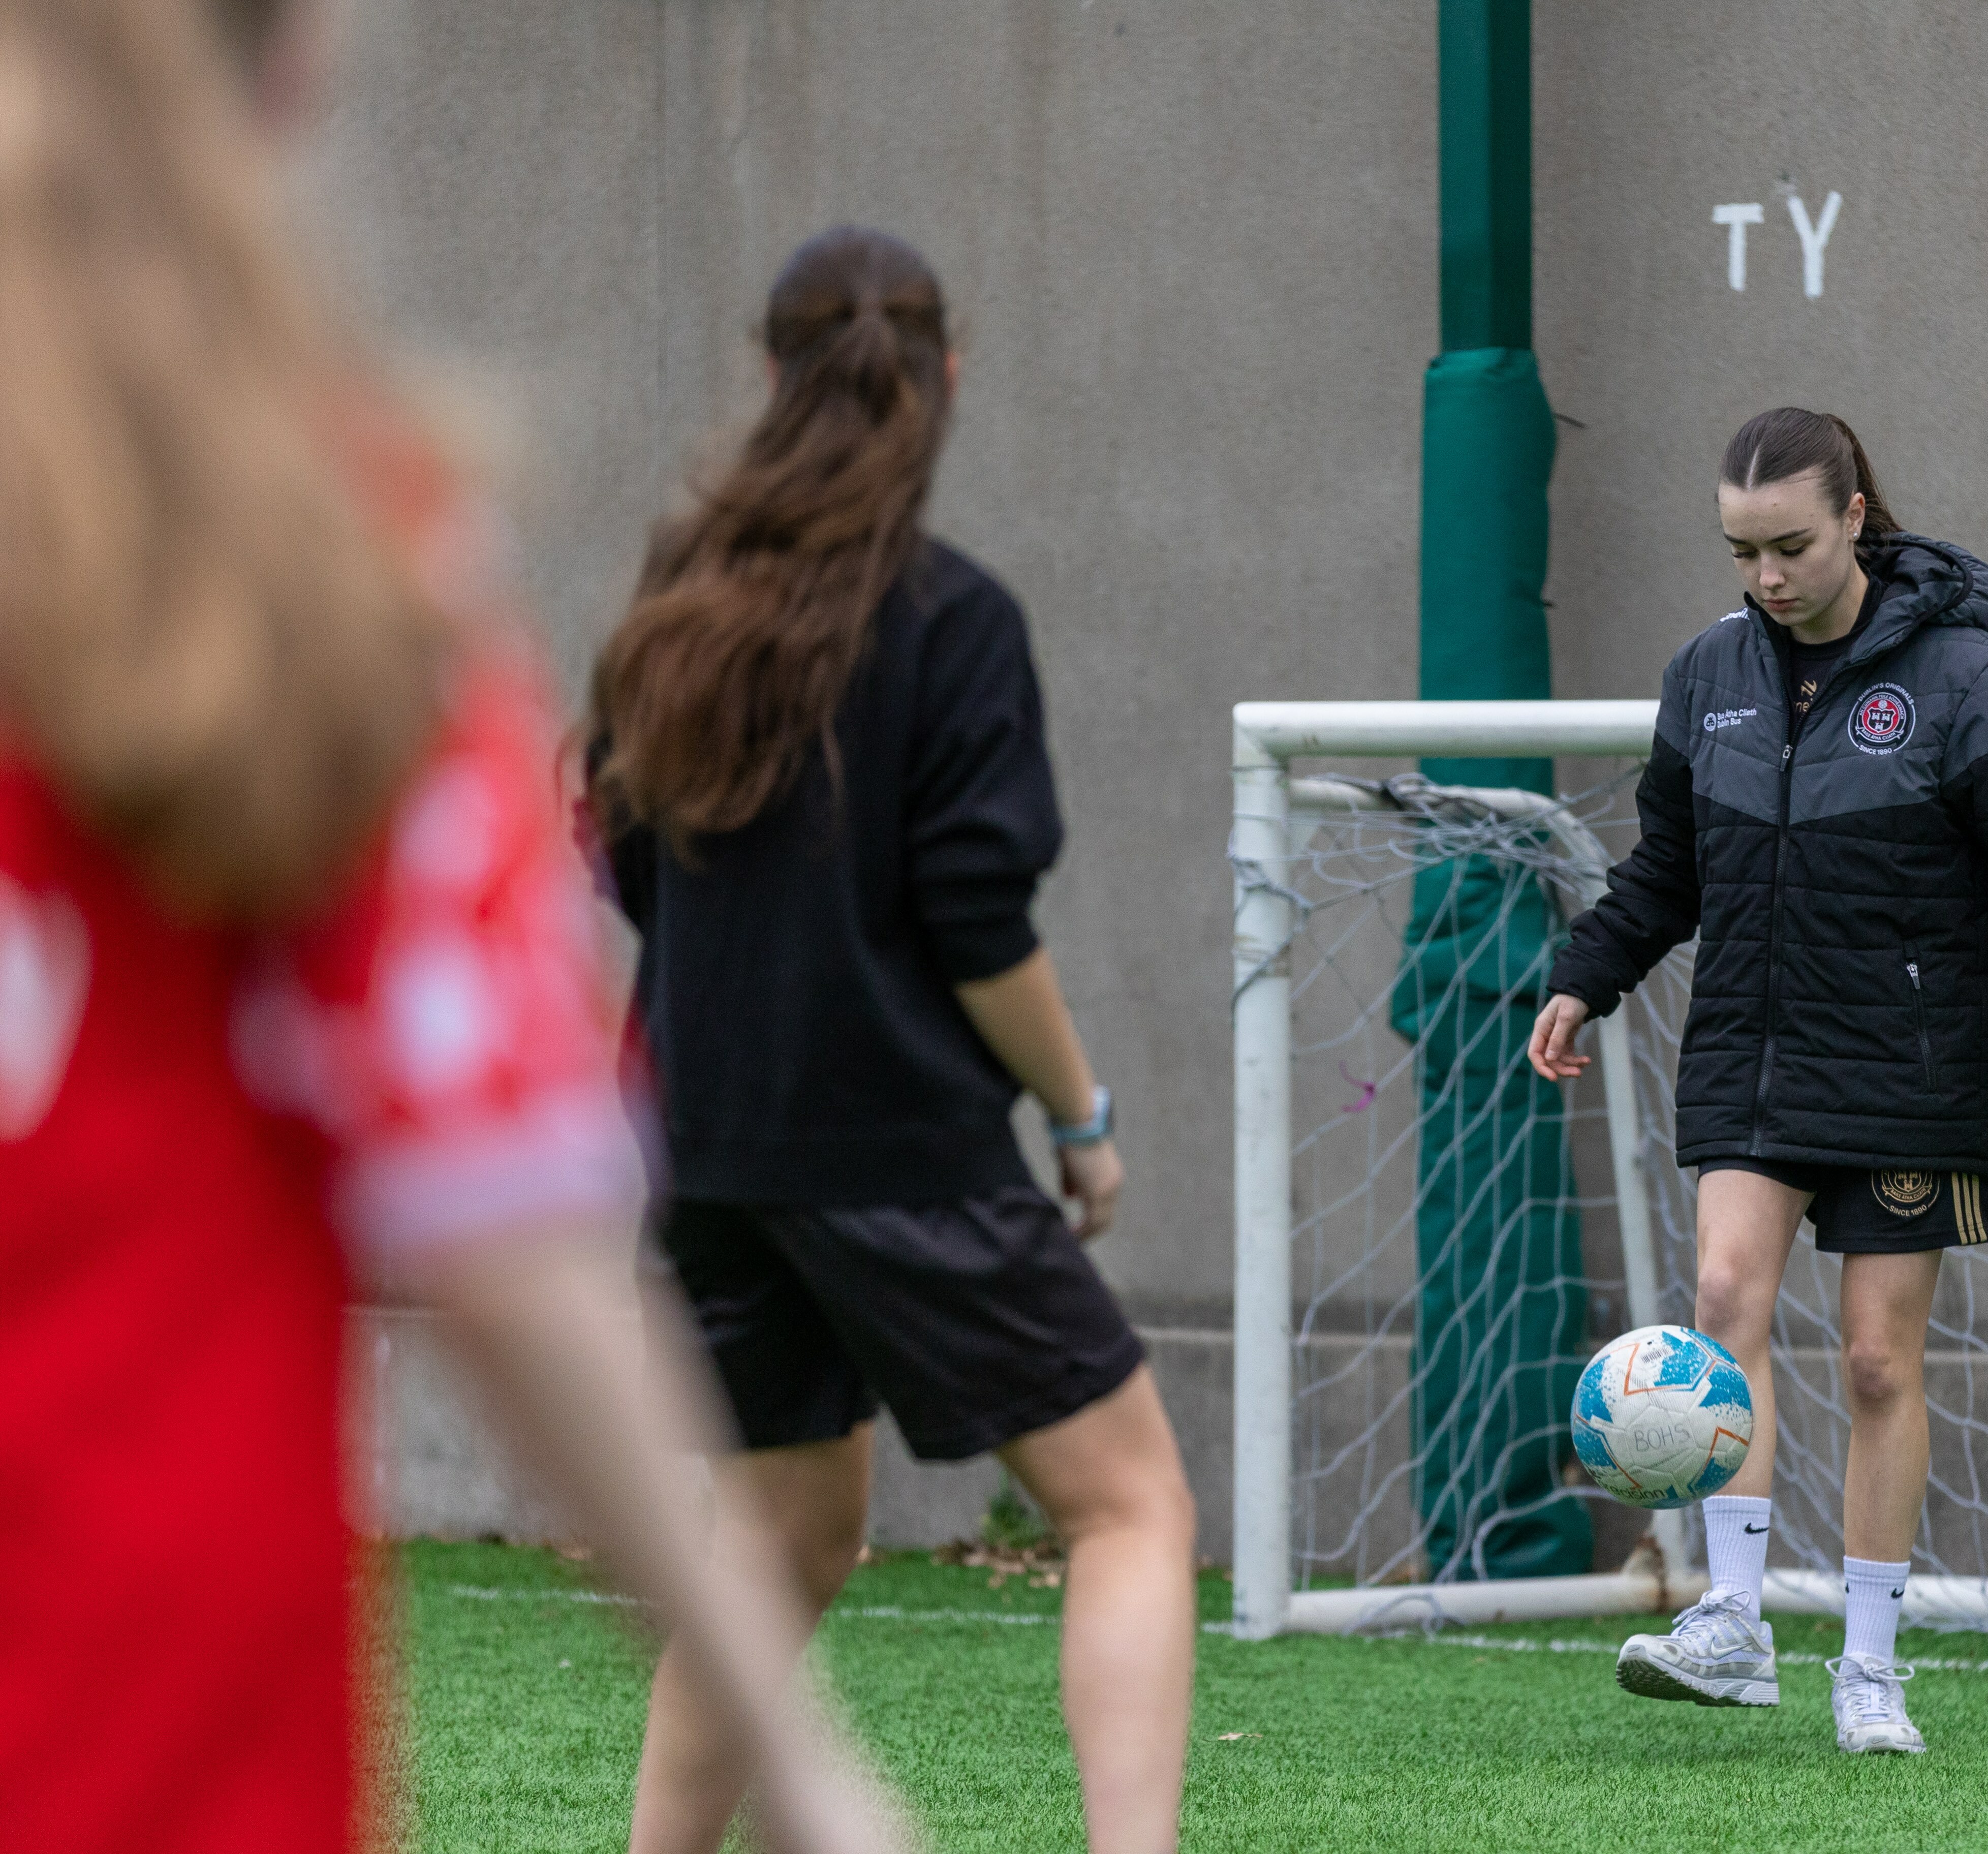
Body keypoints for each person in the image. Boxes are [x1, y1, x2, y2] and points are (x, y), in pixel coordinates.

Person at [0, 2, 912, 1850]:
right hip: (154, 1749)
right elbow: (505, 1215)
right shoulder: (305, 546)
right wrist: (807, 1771)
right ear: (298, 63)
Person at [590, 225, 1197, 1854]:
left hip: (703, 1144)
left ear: (768, 374)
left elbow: (622, 859)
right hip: (895, 1149)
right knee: (1129, 1504)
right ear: (946, 380)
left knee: (780, 1538)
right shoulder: (955, 619)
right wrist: (1081, 1116)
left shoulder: (676, 598)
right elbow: (980, 928)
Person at [1528, 408, 1988, 1755]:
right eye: (1741, 552)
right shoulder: (1707, 678)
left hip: (1914, 1068)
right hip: (1752, 1049)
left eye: (1789, 546)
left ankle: (1869, 1668)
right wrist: (1587, 971)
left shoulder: (1972, 679)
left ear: (1857, 515)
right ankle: (1734, 1625)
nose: (1765, 578)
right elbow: (1666, 875)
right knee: (1725, 1301)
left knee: (1873, 1363)